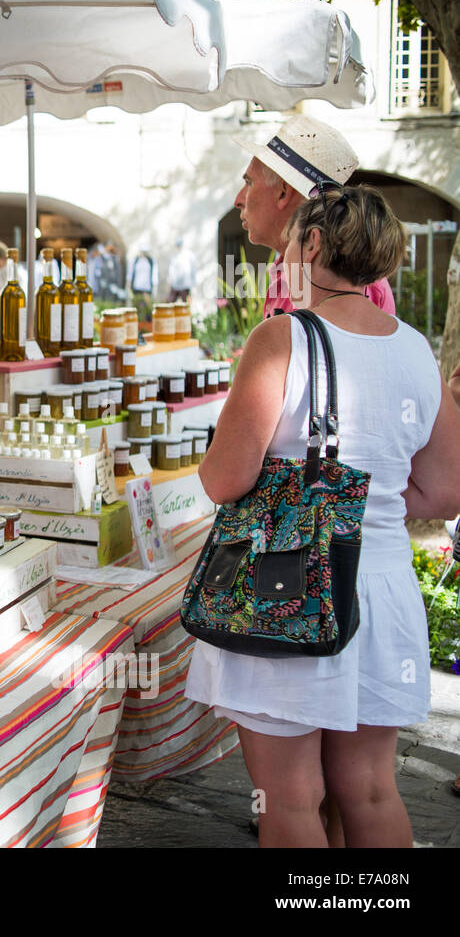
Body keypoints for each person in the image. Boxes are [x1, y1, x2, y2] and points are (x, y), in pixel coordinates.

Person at [186, 186, 460, 847]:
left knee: (289, 798)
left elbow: (226, 479)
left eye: (288, 244)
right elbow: (447, 489)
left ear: (311, 244)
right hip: (385, 586)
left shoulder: (281, 339)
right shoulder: (416, 349)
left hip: (292, 585)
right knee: (370, 787)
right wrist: (374, 500)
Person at [233, 113, 395, 319]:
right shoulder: (291, 270)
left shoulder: (347, 280)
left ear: (283, 192)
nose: (238, 200)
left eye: (249, 183)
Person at [167, 237, 196, 303]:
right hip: (175, 284)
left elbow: (193, 270)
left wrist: (193, 284)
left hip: (185, 284)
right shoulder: (175, 256)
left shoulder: (189, 255)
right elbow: (171, 270)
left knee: (185, 304)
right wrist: (170, 280)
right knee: (170, 302)